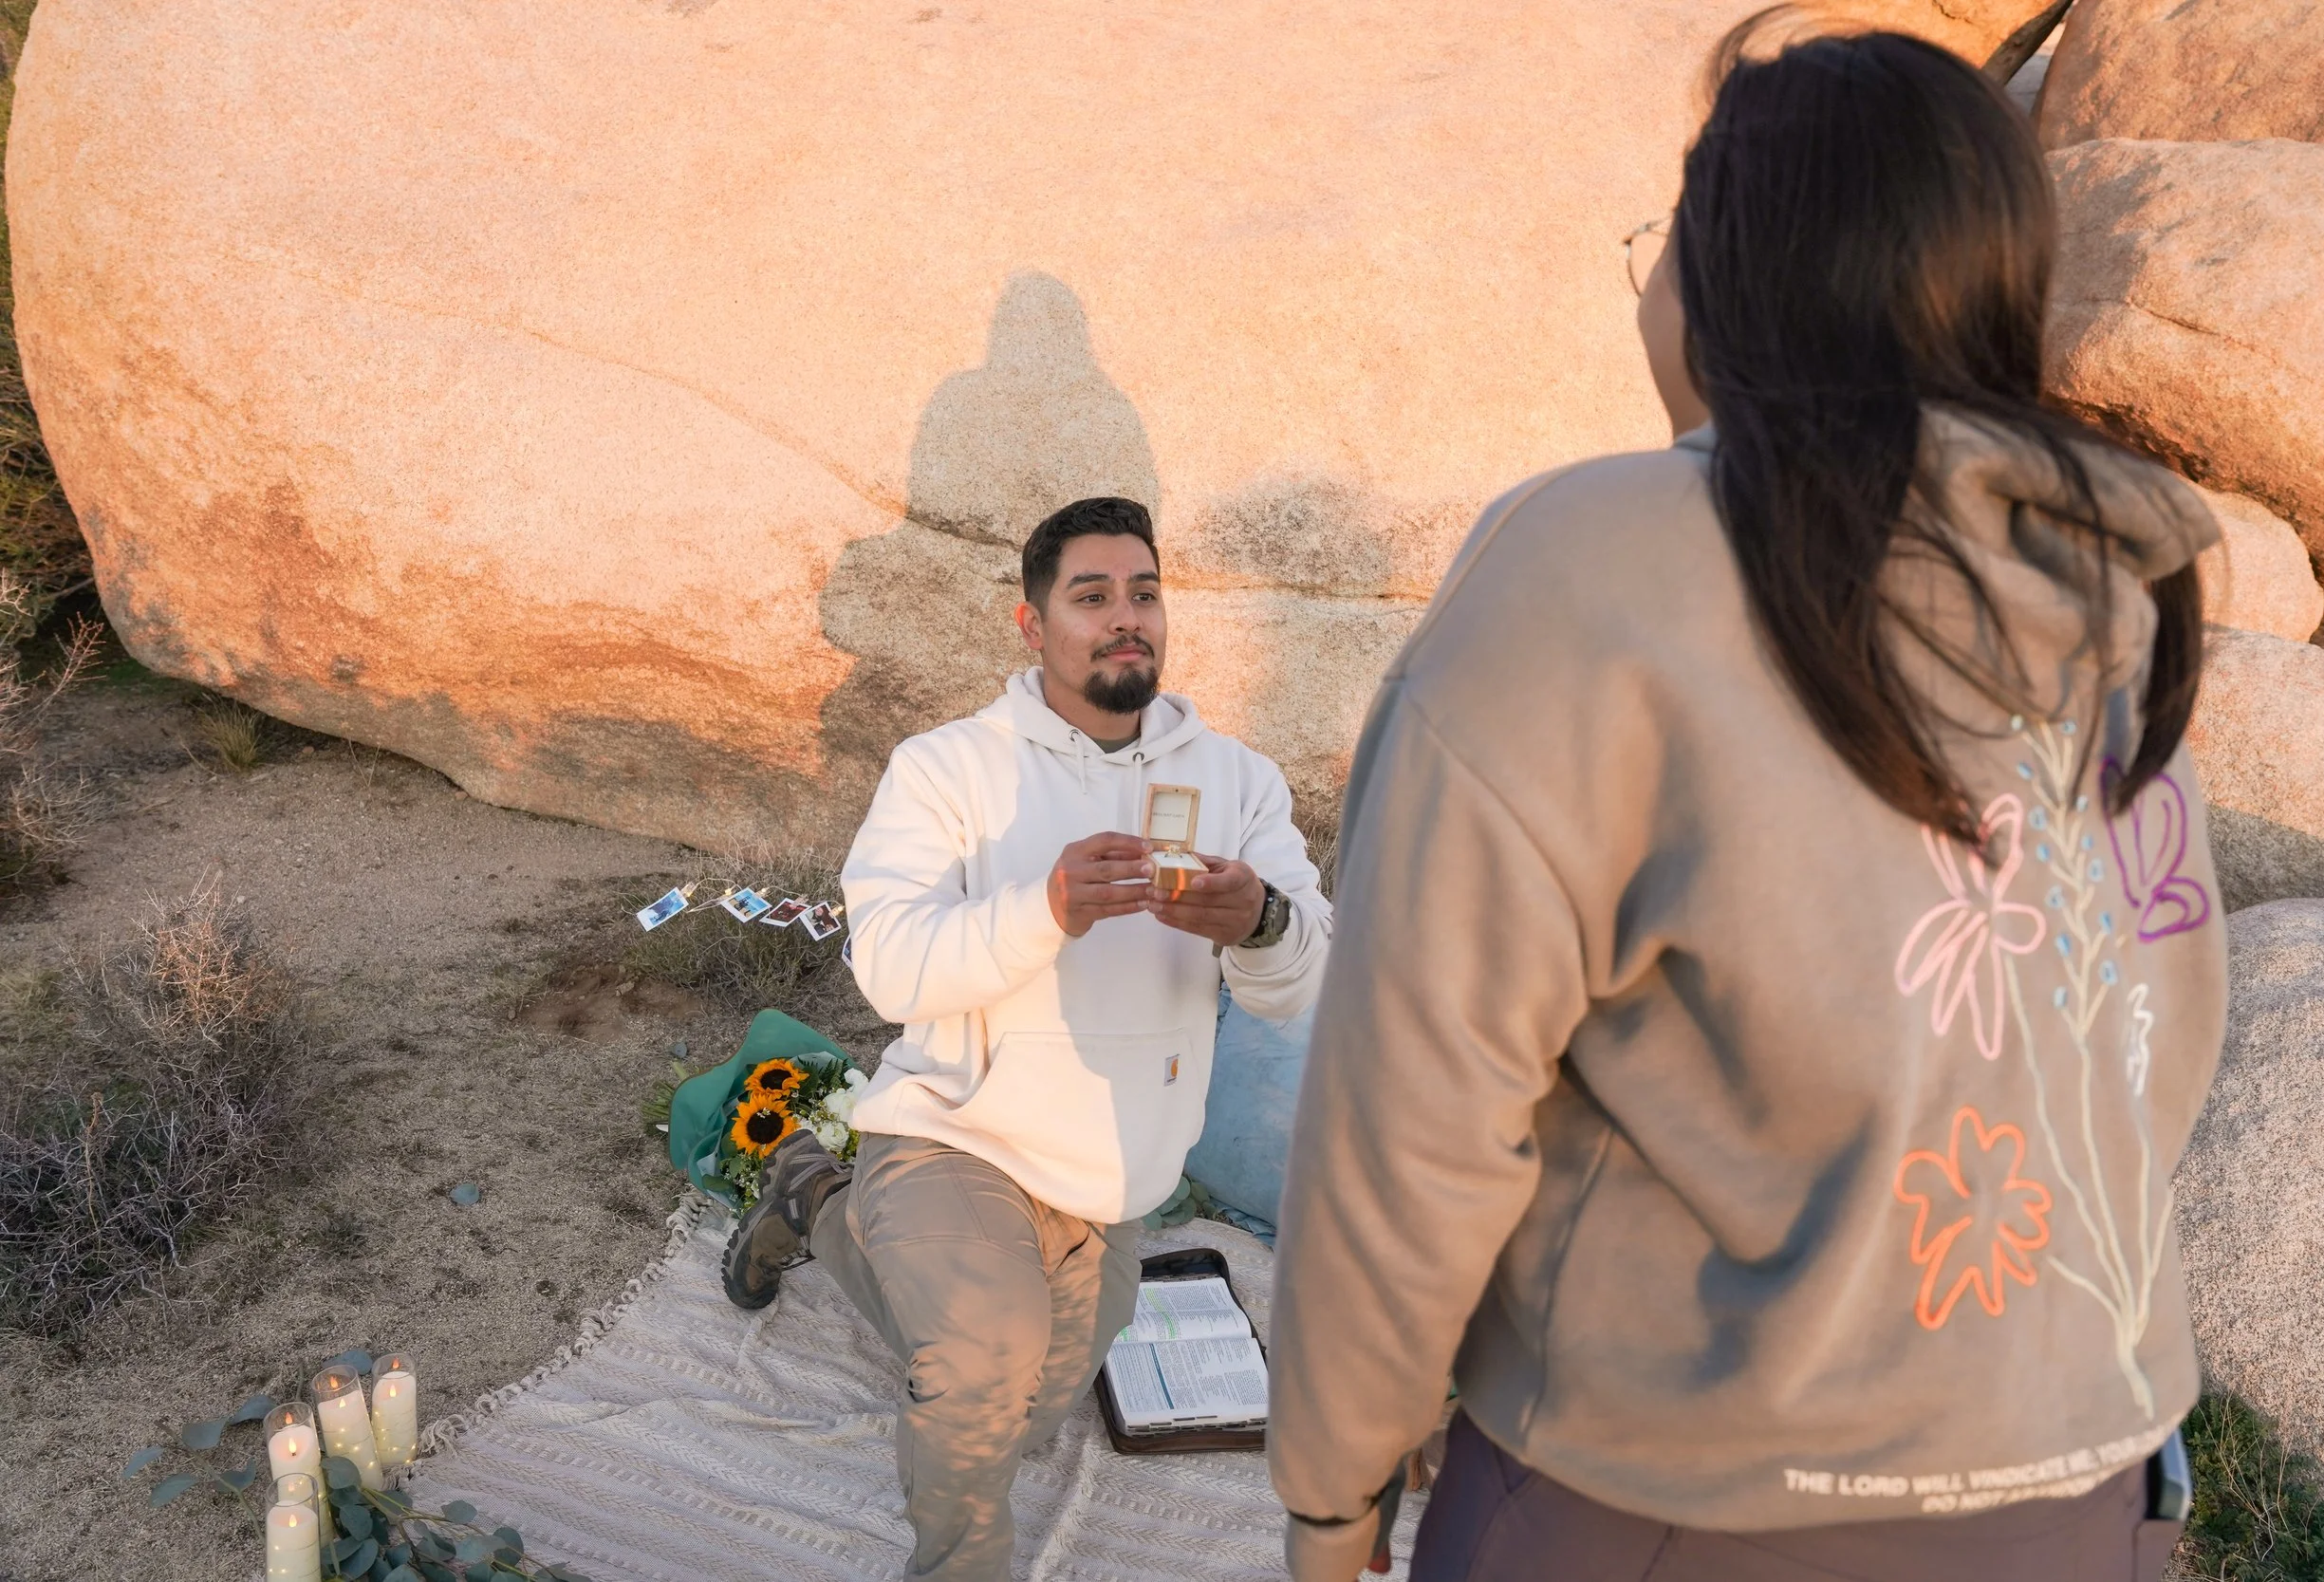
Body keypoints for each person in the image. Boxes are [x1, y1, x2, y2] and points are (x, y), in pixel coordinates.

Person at [1265, 17, 2225, 1582]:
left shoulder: (1590, 565)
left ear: (1728, 278)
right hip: (2084, 1486)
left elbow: (1415, 1107)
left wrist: (1334, 1480)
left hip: (1672, 1499)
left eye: (1666, 235)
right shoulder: (2112, 579)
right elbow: (2150, 1044)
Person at [724, 494, 1330, 1580]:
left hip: (1111, 1176)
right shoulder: (948, 766)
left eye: (1144, 592)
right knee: (978, 1370)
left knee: (1030, 1412)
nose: (1125, 616)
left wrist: (1261, 921)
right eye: (1091, 595)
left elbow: (1305, 981)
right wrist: (1041, 909)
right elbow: (889, 963)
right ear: (1030, 623)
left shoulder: (1237, 781)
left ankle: (813, 1196)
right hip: (958, 1133)